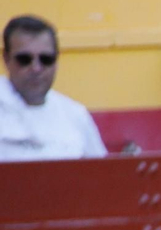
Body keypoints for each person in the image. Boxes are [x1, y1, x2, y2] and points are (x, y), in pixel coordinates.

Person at [0, 15, 107, 163]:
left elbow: (101, 175)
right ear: (6, 59)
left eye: (46, 59)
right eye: (24, 59)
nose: (36, 68)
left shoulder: (75, 115)